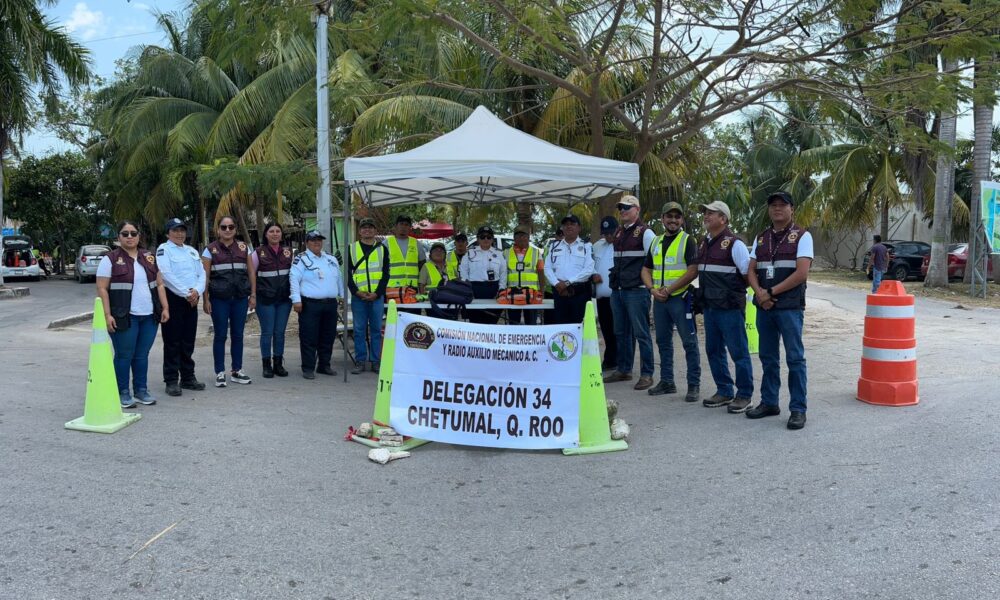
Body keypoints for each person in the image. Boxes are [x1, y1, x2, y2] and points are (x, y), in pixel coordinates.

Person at [746, 191, 813, 430]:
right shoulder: (761, 238)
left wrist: (770, 292)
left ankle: (798, 409)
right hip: (765, 308)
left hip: (789, 308)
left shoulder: (802, 236)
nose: (777, 209)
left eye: (782, 205)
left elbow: (801, 273)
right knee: (768, 358)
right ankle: (769, 402)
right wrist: (760, 294)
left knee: (795, 359)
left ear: (791, 209)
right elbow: (751, 270)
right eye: (773, 205)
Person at [95, 221, 170, 407]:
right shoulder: (110, 259)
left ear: (139, 236)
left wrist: (165, 307)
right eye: (125, 233)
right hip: (124, 316)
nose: (129, 237)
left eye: (133, 233)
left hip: (149, 316)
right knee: (123, 355)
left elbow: (160, 284)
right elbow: (102, 289)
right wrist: (107, 315)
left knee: (141, 355)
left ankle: (141, 391)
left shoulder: (149, 257)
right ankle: (122, 393)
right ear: (118, 237)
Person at [696, 200, 754, 413]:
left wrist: (731, 294)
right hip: (710, 307)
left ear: (723, 218)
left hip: (729, 308)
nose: (706, 216)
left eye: (712, 213)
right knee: (713, 350)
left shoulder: (734, 244)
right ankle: (724, 390)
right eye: (706, 212)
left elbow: (748, 275)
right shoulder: (704, 243)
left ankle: (744, 394)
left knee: (738, 352)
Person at [641, 202, 701, 401]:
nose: (673, 220)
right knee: (663, 342)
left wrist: (668, 290)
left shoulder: (687, 240)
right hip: (660, 301)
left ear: (682, 220)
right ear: (662, 219)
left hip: (680, 299)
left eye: (677, 216)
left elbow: (693, 270)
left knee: (689, 343)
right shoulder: (656, 242)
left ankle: (693, 385)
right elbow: (645, 270)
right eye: (669, 216)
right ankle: (667, 381)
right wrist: (652, 290)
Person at [605, 195, 657, 391]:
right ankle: (624, 369)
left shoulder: (646, 233)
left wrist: (650, 286)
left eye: (627, 207)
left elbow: (653, 263)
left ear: (637, 209)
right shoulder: (619, 232)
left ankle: (647, 374)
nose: (623, 211)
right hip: (618, 290)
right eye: (621, 208)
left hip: (637, 290)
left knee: (641, 333)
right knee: (621, 332)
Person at [202, 216, 255, 388]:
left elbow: (251, 273)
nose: (227, 230)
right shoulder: (210, 250)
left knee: (238, 335)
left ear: (235, 229)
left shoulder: (243, 248)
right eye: (223, 227)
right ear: (218, 230)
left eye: (231, 227)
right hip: (219, 300)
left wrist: (253, 295)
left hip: (240, 298)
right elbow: (205, 276)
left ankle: (237, 370)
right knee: (220, 335)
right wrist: (205, 299)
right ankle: (220, 372)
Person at [157, 218, 207, 397]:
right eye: (175, 230)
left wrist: (197, 291)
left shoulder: (192, 251)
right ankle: (171, 380)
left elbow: (202, 274)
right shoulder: (164, 250)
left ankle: (188, 377)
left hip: (192, 300)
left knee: (188, 341)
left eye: (182, 230)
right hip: (174, 300)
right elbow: (166, 275)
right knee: (172, 342)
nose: (179, 234)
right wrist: (188, 293)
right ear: (167, 233)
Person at [290, 230, 344, 379]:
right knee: (309, 337)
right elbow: (294, 278)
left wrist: (344, 297)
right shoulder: (301, 259)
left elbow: (338, 279)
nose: (317, 243)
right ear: (307, 243)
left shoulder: (331, 259)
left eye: (319, 240)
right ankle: (308, 368)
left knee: (327, 336)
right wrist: (296, 300)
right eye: (313, 240)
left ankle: (324, 365)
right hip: (310, 304)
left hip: (330, 304)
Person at [348, 218, 389, 374]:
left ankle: (375, 361)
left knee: (376, 330)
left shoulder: (382, 249)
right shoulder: (351, 249)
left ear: (375, 231)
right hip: (359, 297)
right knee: (358, 330)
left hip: (376, 297)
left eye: (371, 228)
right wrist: (356, 292)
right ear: (359, 231)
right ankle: (360, 360)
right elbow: (347, 275)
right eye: (364, 228)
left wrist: (377, 293)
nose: (367, 230)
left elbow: (386, 274)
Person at [252, 222, 293, 378]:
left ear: (281, 234)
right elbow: (252, 276)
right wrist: (253, 295)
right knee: (267, 332)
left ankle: (278, 364)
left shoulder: (288, 252)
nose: (275, 234)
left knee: (280, 333)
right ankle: (266, 365)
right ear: (266, 234)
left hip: (284, 300)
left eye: (278, 231)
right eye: (271, 231)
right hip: (265, 300)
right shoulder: (258, 253)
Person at [544, 215, 594, 324]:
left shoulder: (587, 246)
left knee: (579, 326)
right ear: (562, 228)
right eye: (566, 224)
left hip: (579, 293)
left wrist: (567, 283)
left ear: (579, 228)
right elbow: (547, 267)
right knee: (561, 327)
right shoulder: (554, 246)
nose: (569, 226)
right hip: (559, 292)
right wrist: (557, 283)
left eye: (572, 224)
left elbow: (589, 269)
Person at [460, 226, 507, 324]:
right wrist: (467, 289)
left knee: (492, 321)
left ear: (492, 239)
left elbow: (503, 273)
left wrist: (501, 289)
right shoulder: (469, 253)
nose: (486, 239)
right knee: (476, 322)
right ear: (477, 239)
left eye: (489, 237)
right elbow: (463, 272)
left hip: (493, 290)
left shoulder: (499, 254)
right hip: (474, 290)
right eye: (482, 237)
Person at [591, 216, 618, 370]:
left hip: (616, 295)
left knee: (618, 330)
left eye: (611, 233)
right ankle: (610, 359)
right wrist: (594, 273)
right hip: (602, 297)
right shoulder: (597, 246)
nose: (608, 236)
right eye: (605, 234)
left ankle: (617, 359)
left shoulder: (621, 244)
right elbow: (590, 264)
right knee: (606, 330)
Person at [504, 229, 545, 325]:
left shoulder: (536, 252)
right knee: (513, 324)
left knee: (531, 324)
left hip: (532, 295)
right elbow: (503, 273)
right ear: (514, 238)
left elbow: (541, 272)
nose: (521, 238)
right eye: (518, 235)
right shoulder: (506, 253)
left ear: (528, 237)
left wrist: (542, 291)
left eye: (524, 235)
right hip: (512, 294)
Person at [384, 215, 424, 289]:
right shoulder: (386, 243)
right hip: (392, 287)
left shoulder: (416, 243)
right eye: (401, 224)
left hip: (412, 287)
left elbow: (422, 264)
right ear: (396, 226)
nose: (403, 227)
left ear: (410, 228)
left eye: (406, 225)